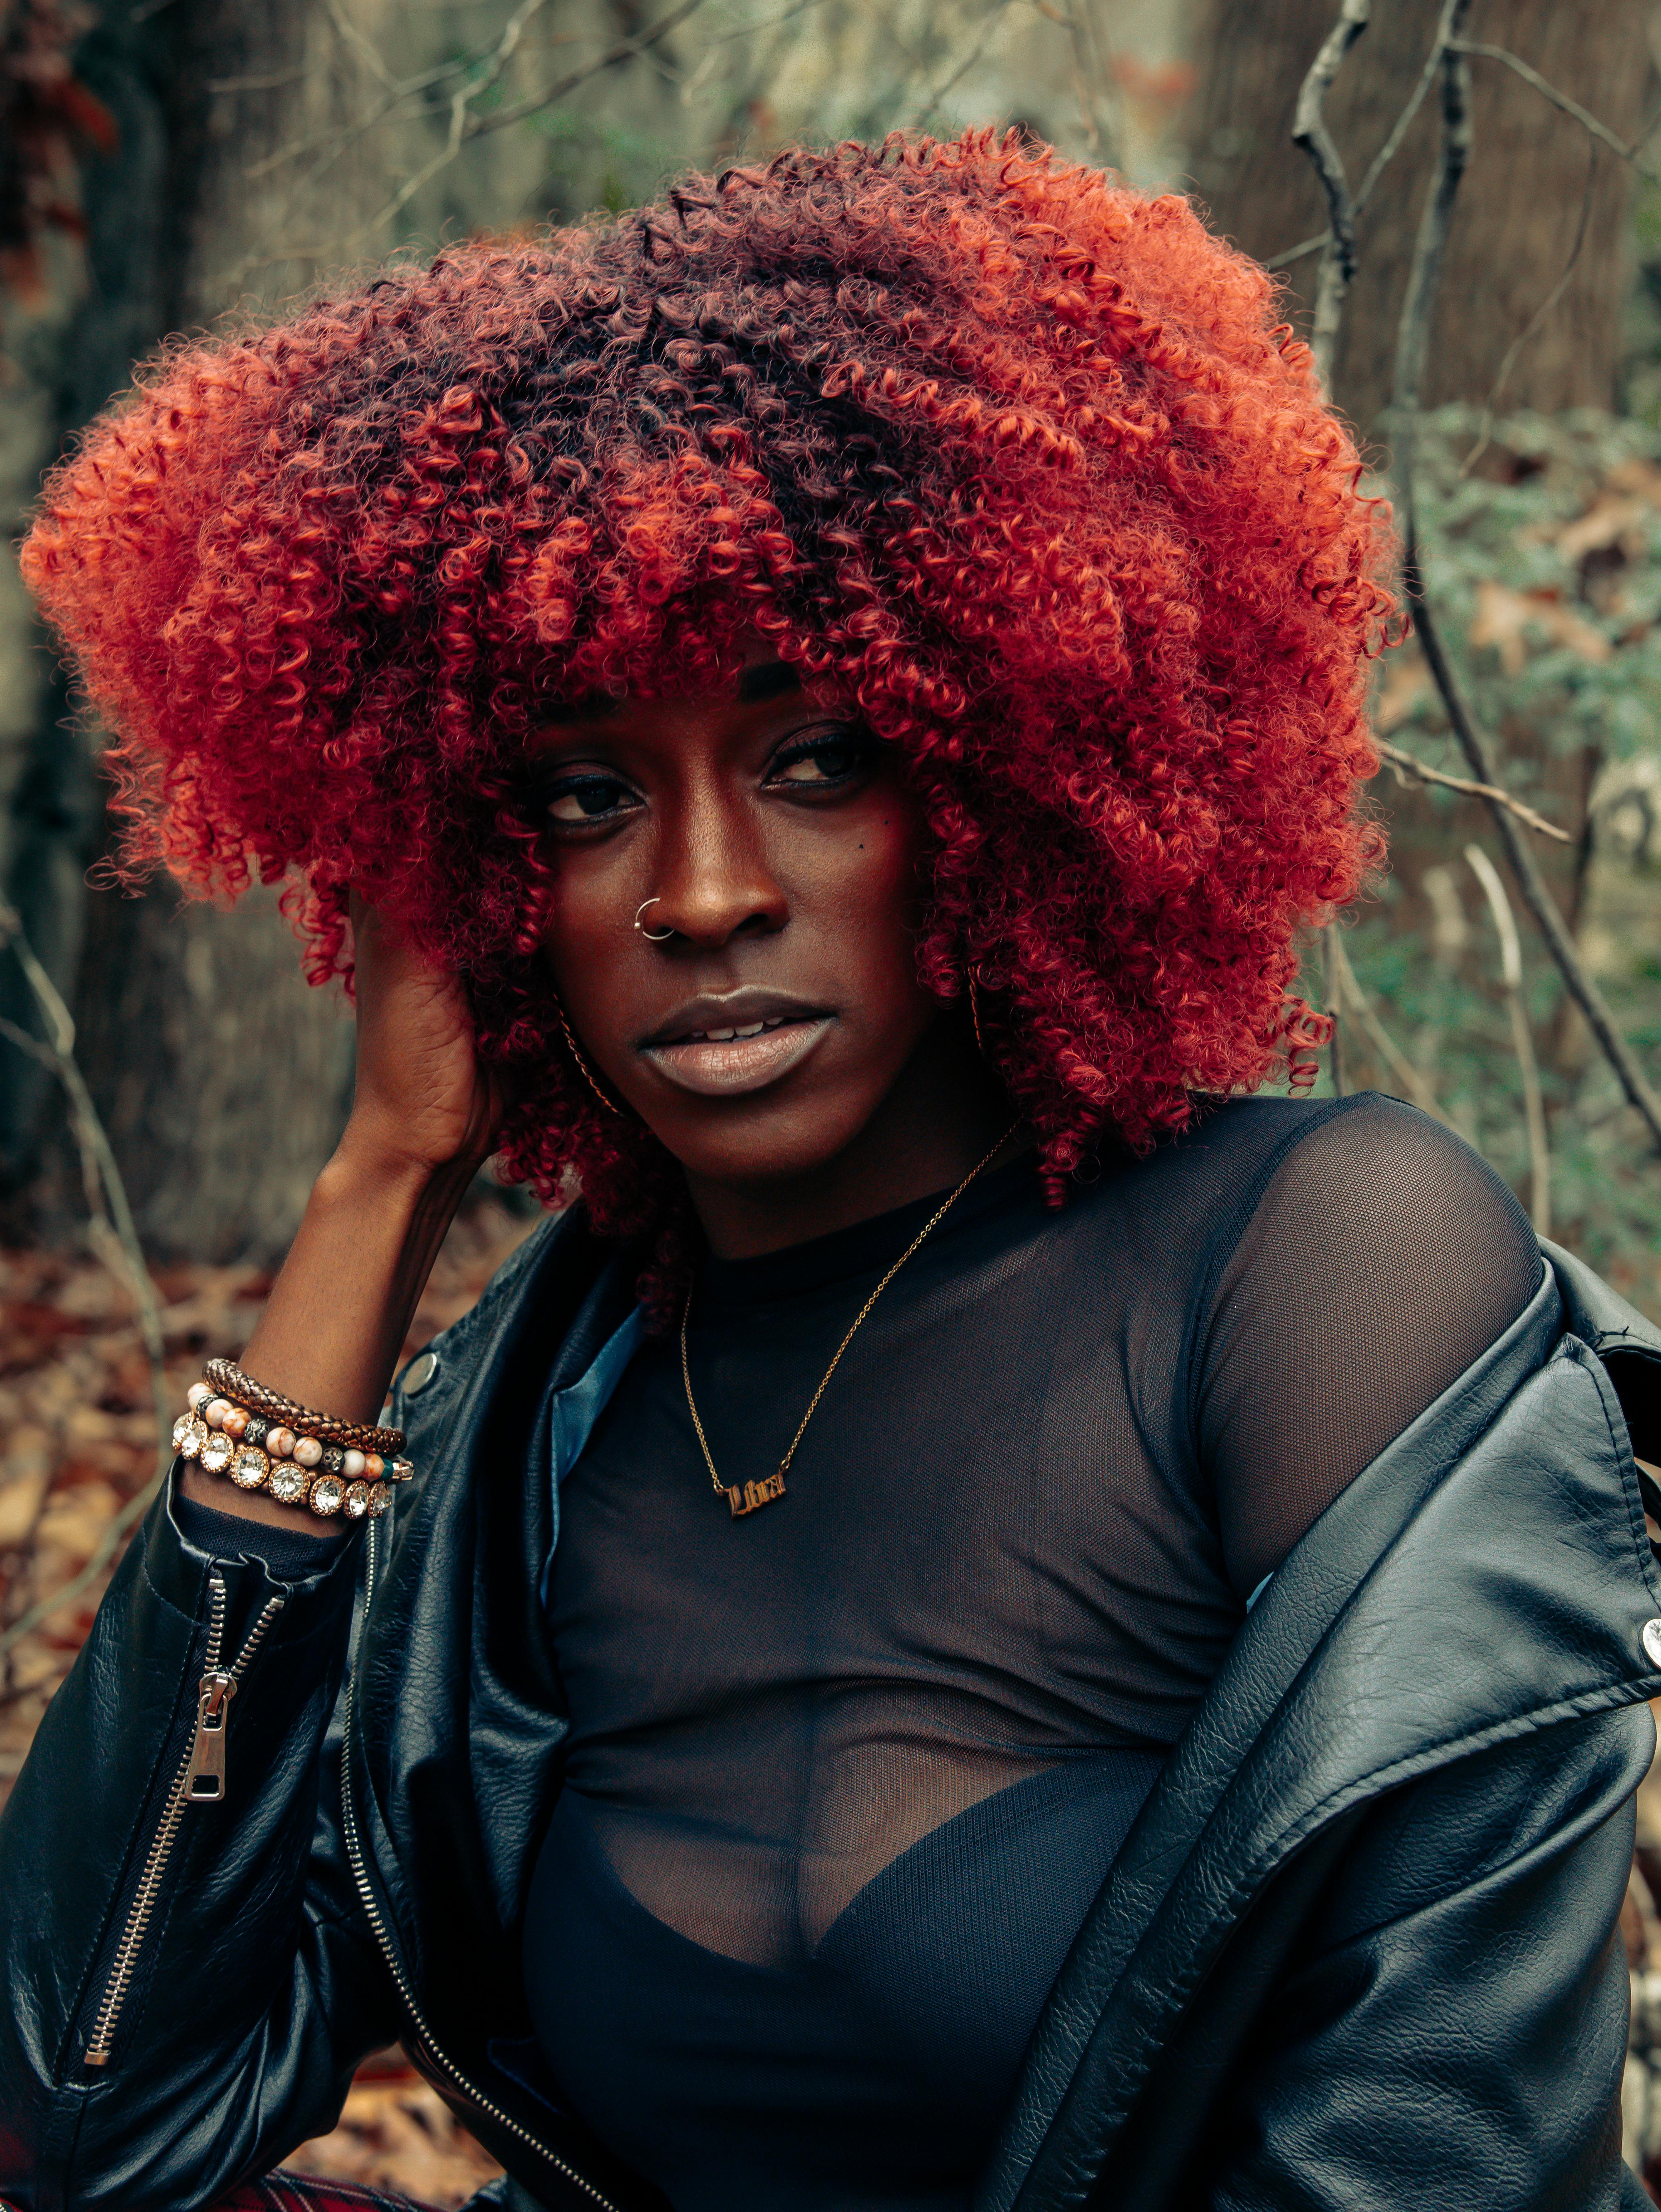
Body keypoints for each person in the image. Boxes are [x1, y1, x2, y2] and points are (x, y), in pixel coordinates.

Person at [2, 130, 1659, 2212]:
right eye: (588, 795)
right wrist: (381, 1175)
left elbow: (1441, 2166)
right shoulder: (541, 1419)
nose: (703, 893)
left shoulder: (1317, 1269)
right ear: (488, 878)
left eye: (815, 761)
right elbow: (94, 2102)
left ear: (999, 778)